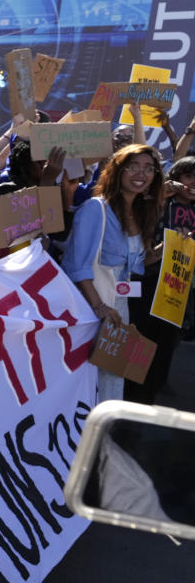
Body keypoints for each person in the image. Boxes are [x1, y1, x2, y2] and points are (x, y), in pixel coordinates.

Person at [61, 144, 164, 402]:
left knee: (111, 380)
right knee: (86, 383)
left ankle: (101, 440)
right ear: (118, 171)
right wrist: (99, 308)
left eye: (149, 169)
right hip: (91, 309)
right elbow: (77, 265)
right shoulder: (95, 209)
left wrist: (169, 248)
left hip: (119, 310)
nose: (141, 174)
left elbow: (135, 265)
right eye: (133, 167)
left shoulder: (140, 213)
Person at [123, 156, 195, 404]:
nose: (193, 182)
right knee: (140, 346)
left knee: (164, 350)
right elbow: (141, 256)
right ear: (175, 179)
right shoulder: (158, 204)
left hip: (179, 290)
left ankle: (148, 401)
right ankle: (128, 400)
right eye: (188, 176)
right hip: (148, 286)